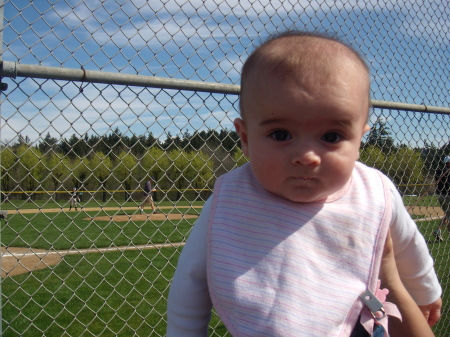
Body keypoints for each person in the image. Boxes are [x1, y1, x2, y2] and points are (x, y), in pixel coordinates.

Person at [167, 31, 442, 336]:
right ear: (245, 139)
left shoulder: (374, 192)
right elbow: (190, 282)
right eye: (281, 134)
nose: (307, 156)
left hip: (354, 325)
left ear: (360, 140)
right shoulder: (230, 199)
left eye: (332, 137)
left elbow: (408, 247)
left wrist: (425, 291)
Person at [433, 156, 450, 241]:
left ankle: (442, 233)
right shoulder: (447, 171)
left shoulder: (439, 170)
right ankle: (438, 229)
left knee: (447, 215)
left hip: (439, 195)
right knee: (448, 214)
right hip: (446, 195)